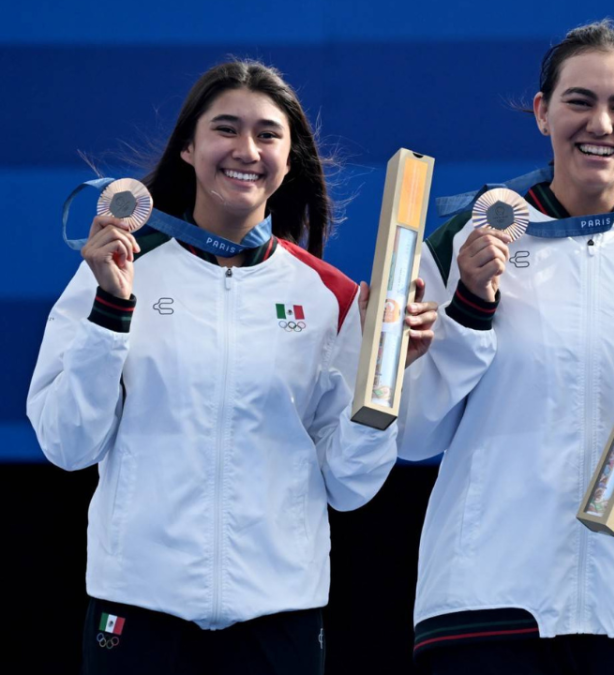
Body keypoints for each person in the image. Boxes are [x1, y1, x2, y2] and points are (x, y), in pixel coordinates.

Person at [27, 59, 438, 675]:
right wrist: (111, 311)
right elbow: (67, 444)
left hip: (279, 617)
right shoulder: (116, 272)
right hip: (138, 608)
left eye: (268, 134)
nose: (246, 149)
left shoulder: (331, 297)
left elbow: (349, 486)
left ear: (289, 157)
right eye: (226, 128)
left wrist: (385, 383)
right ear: (189, 147)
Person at [398, 21, 614, 675]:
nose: (601, 122)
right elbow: (412, 434)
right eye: (579, 100)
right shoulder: (462, 242)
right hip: (484, 601)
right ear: (542, 112)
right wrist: (472, 304)